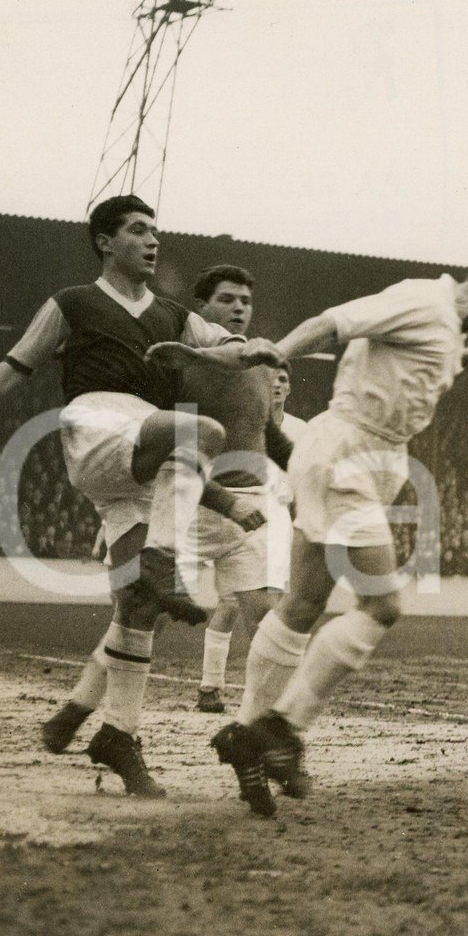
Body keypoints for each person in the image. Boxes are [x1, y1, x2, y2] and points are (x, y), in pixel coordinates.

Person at [0, 196, 280, 797]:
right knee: (203, 432)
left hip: (139, 463)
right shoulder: (74, 302)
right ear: (104, 241)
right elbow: (17, 364)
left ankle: (118, 733)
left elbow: (234, 350)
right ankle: (163, 560)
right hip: (97, 422)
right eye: (138, 230)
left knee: (138, 607)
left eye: (156, 231)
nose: (153, 241)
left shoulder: (173, 315)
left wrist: (238, 350)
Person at [216, 232, 468, 817]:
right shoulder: (424, 300)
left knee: (301, 605)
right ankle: (284, 727)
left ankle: (246, 736)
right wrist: (274, 353)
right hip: (346, 453)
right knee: (383, 605)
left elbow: (419, 377)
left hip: (369, 458)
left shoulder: (451, 328)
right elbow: (334, 322)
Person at [193, 285, 308, 714]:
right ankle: (211, 686)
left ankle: (266, 706)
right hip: (219, 502)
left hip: (270, 516)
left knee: (264, 608)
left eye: (284, 380)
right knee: (224, 605)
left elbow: (297, 469)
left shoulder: (299, 428)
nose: (277, 384)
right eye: (273, 377)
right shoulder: (231, 403)